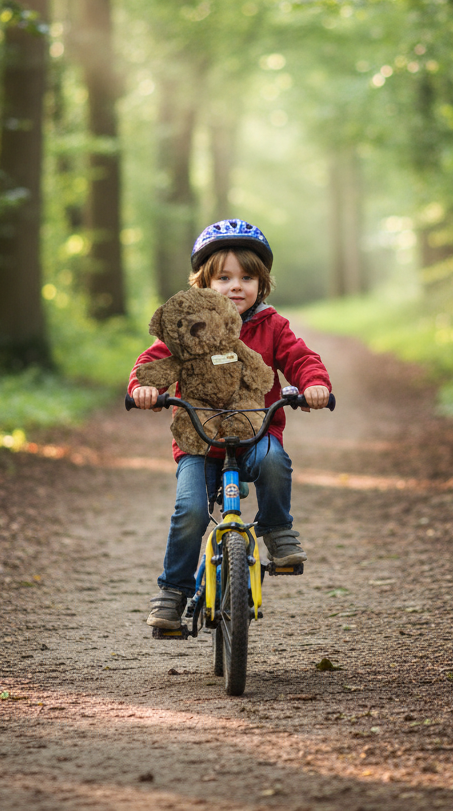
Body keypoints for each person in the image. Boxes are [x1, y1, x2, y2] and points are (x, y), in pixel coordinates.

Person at [129, 219, 332, 630]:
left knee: (275, 463)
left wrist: (313, 386)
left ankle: (277, 530)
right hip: (200, 441)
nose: (235, 286)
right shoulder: (189, 325)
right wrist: (142, 389)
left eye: (246, 277)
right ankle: (173, 591)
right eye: (224, 277)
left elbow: (301, 359)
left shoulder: (272, 326)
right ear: (204, 282)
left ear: (263, 283)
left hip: (256, 431)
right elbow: (151, 362)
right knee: (189, 510)